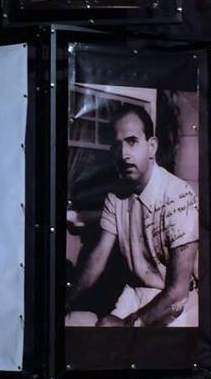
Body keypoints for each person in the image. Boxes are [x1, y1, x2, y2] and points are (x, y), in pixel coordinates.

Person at [67, 104, 198, 327]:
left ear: (152, 146)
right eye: (117, 145)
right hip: (134, 295)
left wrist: (128, 326)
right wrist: (67, 300)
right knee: (72, 322)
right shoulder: (116, 196)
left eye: (132, 141)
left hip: (176, 307)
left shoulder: (179, 195)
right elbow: (98, 259)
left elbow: (178, 292)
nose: (123, 154)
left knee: (107, 331)